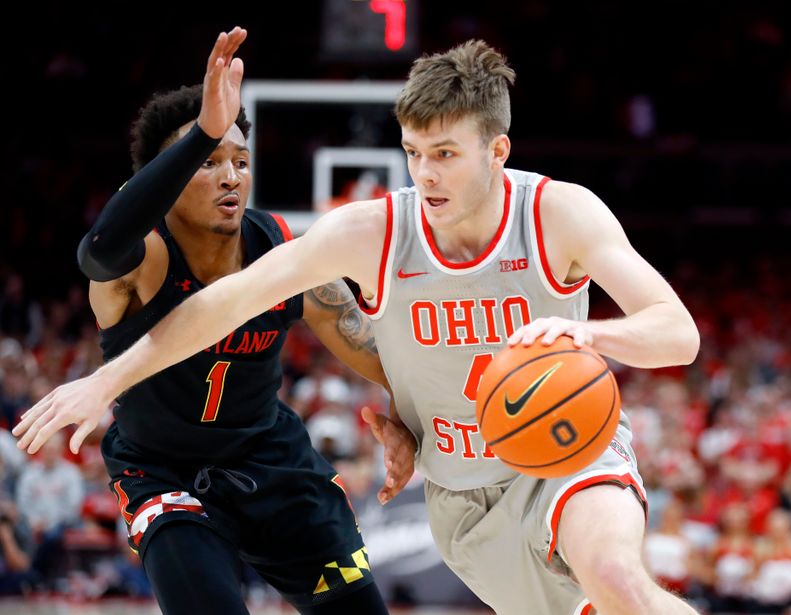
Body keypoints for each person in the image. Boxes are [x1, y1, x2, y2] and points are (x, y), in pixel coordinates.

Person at [16, 38, 702, 615]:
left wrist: (589, 336)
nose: (425, 174)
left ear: (498, 151)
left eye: (445, 154)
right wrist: (106, 379)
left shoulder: (560, 214)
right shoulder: (371, 231)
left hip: (565, 451)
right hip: (461, 494)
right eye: (413, 152)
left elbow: (678, 331)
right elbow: (223, 302)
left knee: (619, 582)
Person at [17, 28, 391, 615]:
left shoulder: (285, 251)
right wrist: (206, 130)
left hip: (273, 463)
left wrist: (428, 414)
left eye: (240, 160)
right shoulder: (142, 260)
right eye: (209, 160)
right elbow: (98, 249)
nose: (231, 176)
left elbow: (375, 354)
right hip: (164, 471)